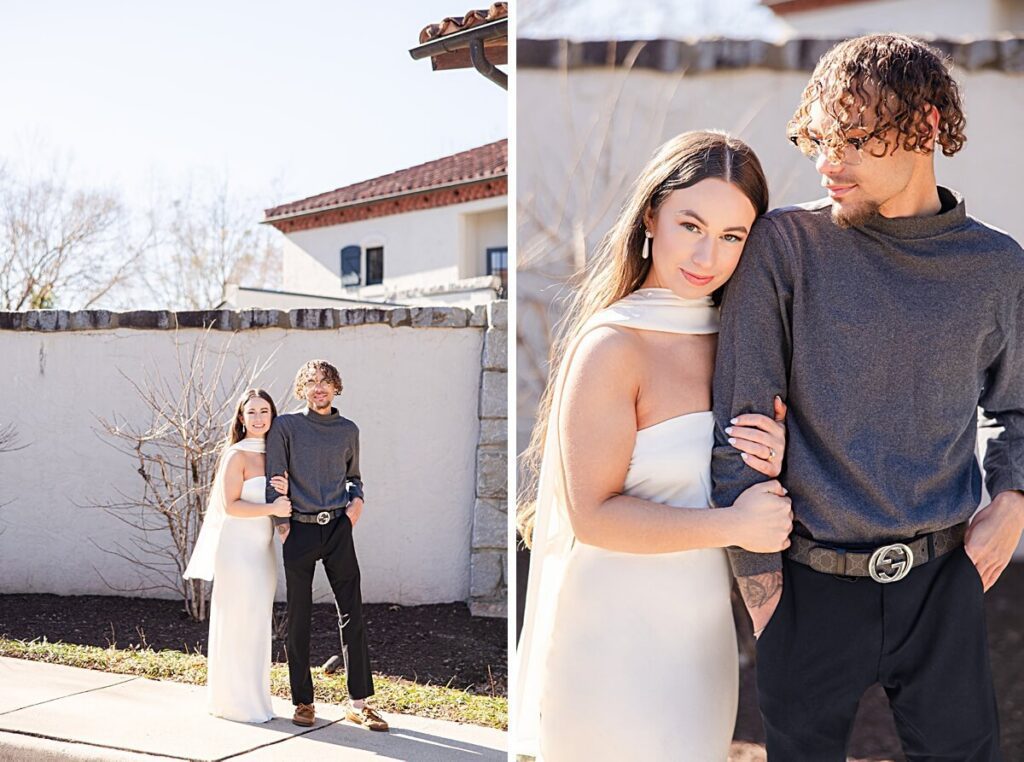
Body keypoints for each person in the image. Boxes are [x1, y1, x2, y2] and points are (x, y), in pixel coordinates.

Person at [711, 34, 1024, 760]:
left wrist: (1011, 499)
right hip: (807, 585)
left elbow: (1016, 409)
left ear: (927, 128)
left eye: (853, 140)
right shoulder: (786, 246)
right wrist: (764, 597)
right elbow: (740, 428)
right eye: (819, 139)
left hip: (944, 583)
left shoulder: (997, 268)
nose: (827, 162)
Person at [515, 130, 795, 761]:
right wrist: (733, 522)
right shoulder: (612, 346)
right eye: (690, 225)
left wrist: (770, 453)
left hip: (701, 639)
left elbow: (727, 474)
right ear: (650, 216)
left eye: (732, 236)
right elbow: (593, 515)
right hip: (613, 637)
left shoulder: (739, 341)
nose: (707, 255)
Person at [266, 360, 388, 732]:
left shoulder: (348, 430)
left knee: (352, 613)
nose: (319, 388)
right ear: (302, 388)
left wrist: (356, 505)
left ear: (336, 387)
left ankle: (359, 703)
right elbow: (274, 478)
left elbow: (354, 477)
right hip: (299, 531)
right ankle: (303, 701)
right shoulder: (286, 426)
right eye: (311, 382)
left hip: (337, 528)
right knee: (299, 617)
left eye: (326, 382)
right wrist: (283, 526)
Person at [184, 388, 292, 723]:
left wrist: (285, 498)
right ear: (242, 418)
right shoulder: (236, 455)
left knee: (258, 622)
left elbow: (284, 501)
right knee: (238, 620)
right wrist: (272, 506)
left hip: (263, 552)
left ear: (272, 415)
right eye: (252, 412)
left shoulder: (277, 454)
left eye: (264, 411)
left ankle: (256, 701)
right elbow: (231, 505)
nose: (259, 418)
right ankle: (233, 703)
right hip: (237, 550)